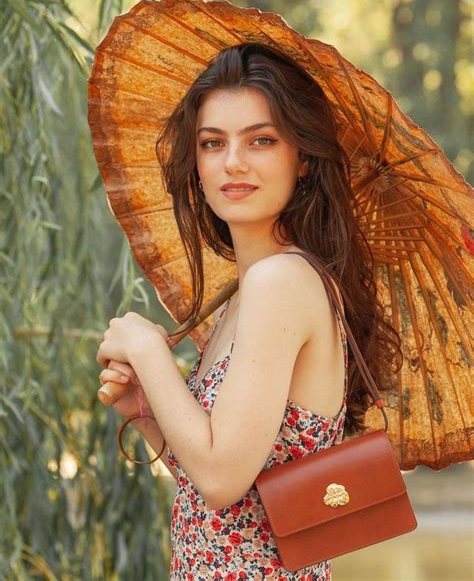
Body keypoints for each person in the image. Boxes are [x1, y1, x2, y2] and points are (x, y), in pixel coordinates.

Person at [96, 43, 402, 580]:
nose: (233, 162)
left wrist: (149, 351)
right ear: (197, 162)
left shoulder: (280, 281)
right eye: (213, 143)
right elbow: (220, 494)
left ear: (303, 158)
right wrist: (146, 410)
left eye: (261, 140)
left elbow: (220, 478)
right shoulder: (247, 293)